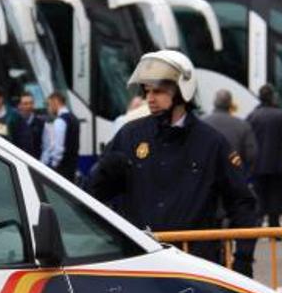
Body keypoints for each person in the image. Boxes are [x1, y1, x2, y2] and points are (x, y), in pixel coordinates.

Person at [89, 50, 257, 277]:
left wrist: (243, 259)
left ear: (182, 92)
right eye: (147, 91)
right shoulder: (130, 135)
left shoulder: (211, 143)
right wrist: (102, 174)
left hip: (195, 267)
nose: (150, 98)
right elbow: (92, 196)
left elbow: (242, 202)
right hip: (141, 264)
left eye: (158, 91)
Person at [247, 84, 282, 230]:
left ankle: (257, 224)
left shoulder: (253, 116)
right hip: (278, 163)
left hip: (257, 163)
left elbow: (247, 137)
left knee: (259, 196)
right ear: (272, 96)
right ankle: (274, 227)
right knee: (276, 196)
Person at [202, 89, 258, 173]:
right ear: (230, 104)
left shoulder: (202, 123)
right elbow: (252, 155)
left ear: (214, 103)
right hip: (234, 176)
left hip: (208, 177)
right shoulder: (243, 125)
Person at [42, 91, 80, 181]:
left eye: (49, 104)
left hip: (62, 169)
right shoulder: (74, 118)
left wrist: (53, 165)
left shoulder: (60, 121)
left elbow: (58, 148)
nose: (48, 108)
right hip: (72, 165)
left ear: (56, 102)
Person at [9, 92, 45, 158]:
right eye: (25, 104)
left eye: (31, 103)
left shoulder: (41, 123)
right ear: (19, 106)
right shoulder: (13, 123)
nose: (29, 106)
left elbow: (46, 146)